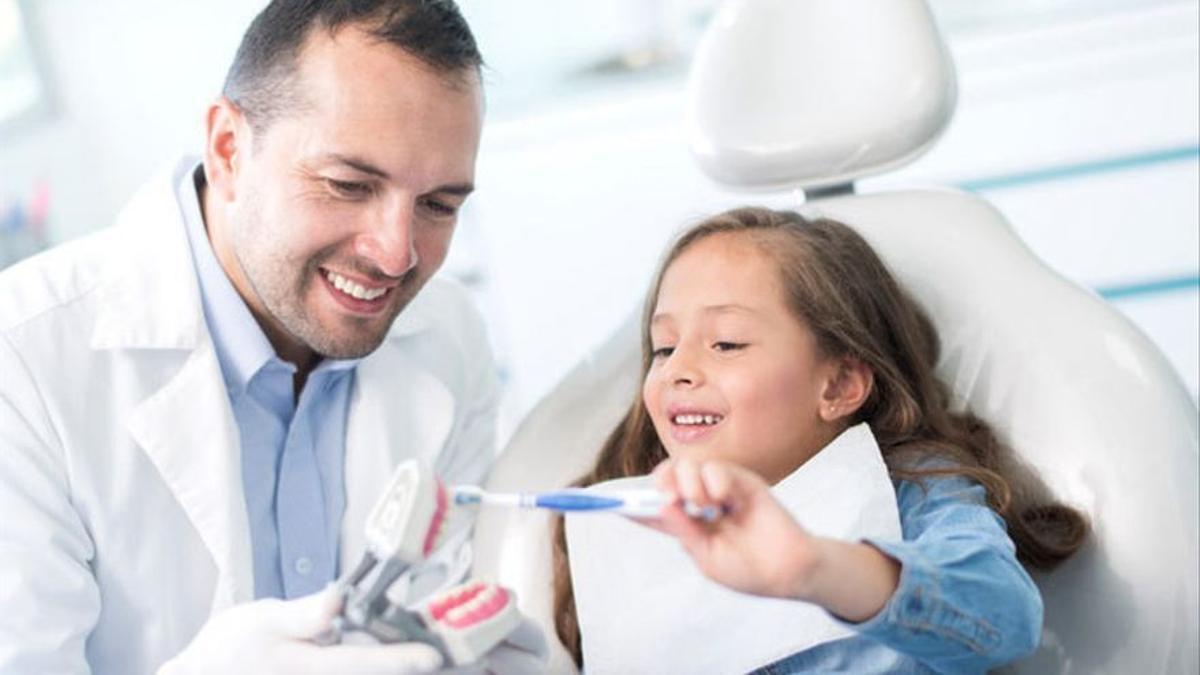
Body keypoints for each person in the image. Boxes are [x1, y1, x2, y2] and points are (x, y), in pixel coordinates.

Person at [0, 2, 540, 673]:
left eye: (438, 205)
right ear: (228, 148)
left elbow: (450, 606)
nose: (397, 253)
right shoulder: (20, 366)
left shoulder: (448, 335)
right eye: (349, 184)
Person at [551, 207, 1089, 672]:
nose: (677, 371)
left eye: (727, 343)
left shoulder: (912, 489)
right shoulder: (630, 522)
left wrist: (814, 567)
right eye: (664, 348)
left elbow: (1005, 616)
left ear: (837, 384)